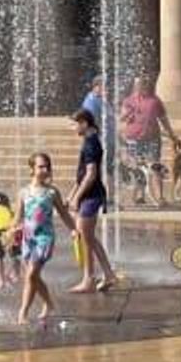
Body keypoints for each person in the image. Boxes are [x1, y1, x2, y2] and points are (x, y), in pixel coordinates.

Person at [13, 153, 77, 327]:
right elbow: (18, 217)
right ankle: (49, 303)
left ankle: (23, 312)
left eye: (47, 166)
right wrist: (12, 231)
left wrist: (73, 229)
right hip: (28, 238)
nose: (45, 170)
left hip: (44, 238)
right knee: (33, 276)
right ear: (32, 169)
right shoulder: (23, 192)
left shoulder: (52, 192)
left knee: (31, 274)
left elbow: (64, 214)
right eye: (41, 166)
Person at [67, 109, 120, 294]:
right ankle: (107, 274)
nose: (72, 128)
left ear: (84, 123)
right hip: (89, 194)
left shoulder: (91, 144)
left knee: (85, 236)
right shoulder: (90, 141)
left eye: (74, 124)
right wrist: (72, 193)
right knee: (88, 237)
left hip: (91, 196)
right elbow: (81, 174)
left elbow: (91, 175)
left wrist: (77, 197)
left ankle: (89, 279)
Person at [117, 76, 176, 207]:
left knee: (155, 167)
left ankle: (160, 197)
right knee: (137, 168)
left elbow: (163, 119)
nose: (138, 87)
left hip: (152, 139)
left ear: (146, 85)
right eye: (136, 84)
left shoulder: (155, 101)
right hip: (133, 139)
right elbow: (122, 118)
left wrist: (172, 134)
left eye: (141, 84)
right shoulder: (128, 101)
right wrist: (127, 115)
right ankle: (140, 195)